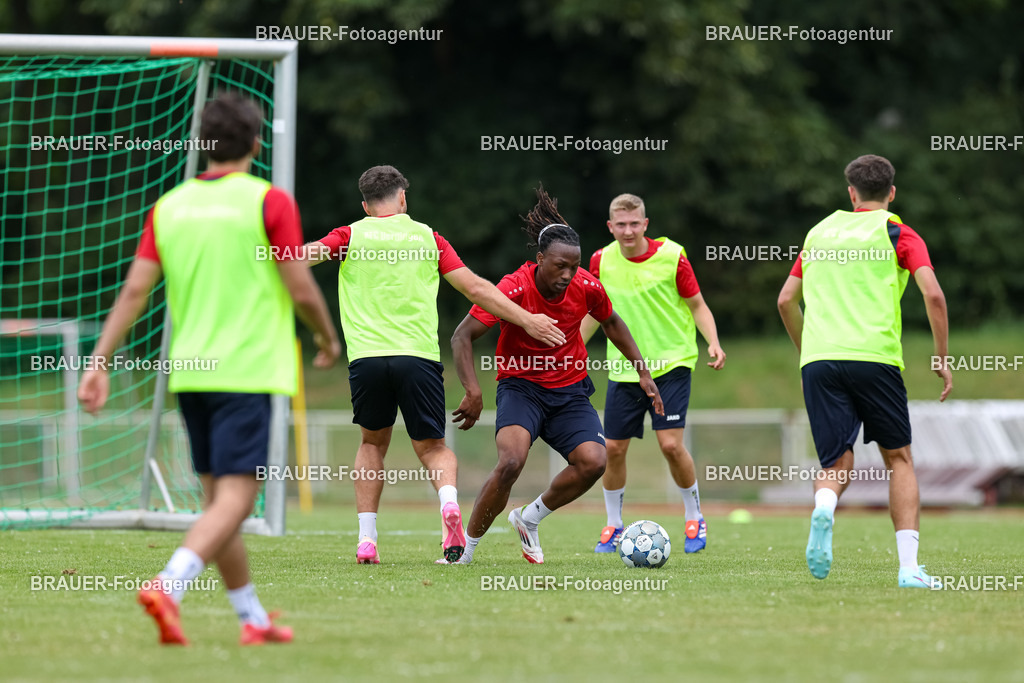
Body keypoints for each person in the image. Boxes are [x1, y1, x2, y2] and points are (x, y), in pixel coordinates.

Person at [77, 92, 341, 645]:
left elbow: (134, 290)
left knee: (219, 502)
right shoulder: (269, 201)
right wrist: (325, 335)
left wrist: (98, 361)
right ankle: (169, 585)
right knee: (239, 499)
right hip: (246, 372)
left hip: (189, 375)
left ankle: (252, 619)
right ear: (255, 143)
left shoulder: (170, 206)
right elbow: (298, 283)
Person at [304, 166, 565, 565]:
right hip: (418, 358)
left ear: (365, 205)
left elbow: (305, 256)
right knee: (434, 449)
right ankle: (448, 505)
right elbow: (476, 288)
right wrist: (526, 318)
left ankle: (367, 540)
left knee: (372, 443)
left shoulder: (350, 234)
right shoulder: (428, 237)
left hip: (367, 359)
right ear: (403, 198)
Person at [445, 186, 664, 565]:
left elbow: (611, 322)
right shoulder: (513, 287)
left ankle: (529, 519)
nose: (567, 274)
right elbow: (462, 336)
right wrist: (473, 391)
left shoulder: (586, 287)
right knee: (511, 461)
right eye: (559, 266)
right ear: (540, 258)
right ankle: (465, 550)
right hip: (521, 388)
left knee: (595, 461)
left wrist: (642, 372)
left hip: (570, 393)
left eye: (574, 266)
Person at [777, 154, 952, 588]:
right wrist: (942, 356)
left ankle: (823, 505)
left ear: (850, 193)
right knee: (899, 460)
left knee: (837, 462)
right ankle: (909, 569)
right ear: (892, 193)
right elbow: (933, 295)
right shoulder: (897, 231)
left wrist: (809, 350)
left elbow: (785, 300)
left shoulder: (819, 232)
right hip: (874, 358)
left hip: (820, 360)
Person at [580, 193, 726, 555]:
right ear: (610, 227)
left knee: (671, 445)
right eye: (621, 224)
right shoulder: (600, 260)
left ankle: (694, 516)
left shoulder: (672, 257)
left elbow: (698, 305)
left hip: (671, 365)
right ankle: (614, 525)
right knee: (612, 449)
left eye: (634, 224)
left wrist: (714, 341)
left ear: (645, 225)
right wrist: (573, 352)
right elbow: (593, 314)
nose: (628, 231)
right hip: (624, 370)